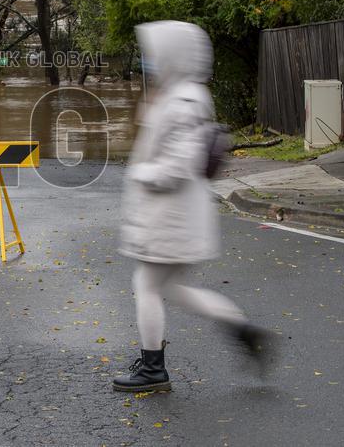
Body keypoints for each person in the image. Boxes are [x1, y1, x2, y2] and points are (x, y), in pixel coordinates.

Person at [112, 20, 274, 393]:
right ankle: (242, 328)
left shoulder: (184, 100)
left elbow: (178, 165)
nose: (149, 61)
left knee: (148, 286)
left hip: (169, 215)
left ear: (172, 55)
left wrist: (142, 173)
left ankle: (153, 368)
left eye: (154, 54)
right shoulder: (180, 93)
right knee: (172, 287)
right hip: (174, 215)